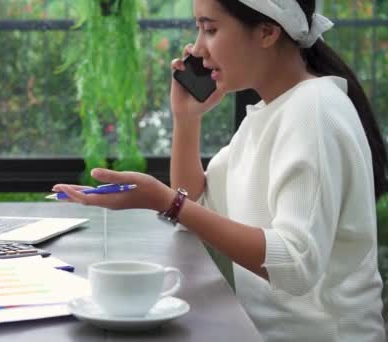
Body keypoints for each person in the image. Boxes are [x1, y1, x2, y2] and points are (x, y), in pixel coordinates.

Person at [52, 0, 387, 341]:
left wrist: (168, 202)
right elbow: (195, 200)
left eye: (210, 29)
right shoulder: (270, 113)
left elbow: (295, 264)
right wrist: (186, 120)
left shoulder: (312, 113)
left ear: (268, 32)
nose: (197, 48)